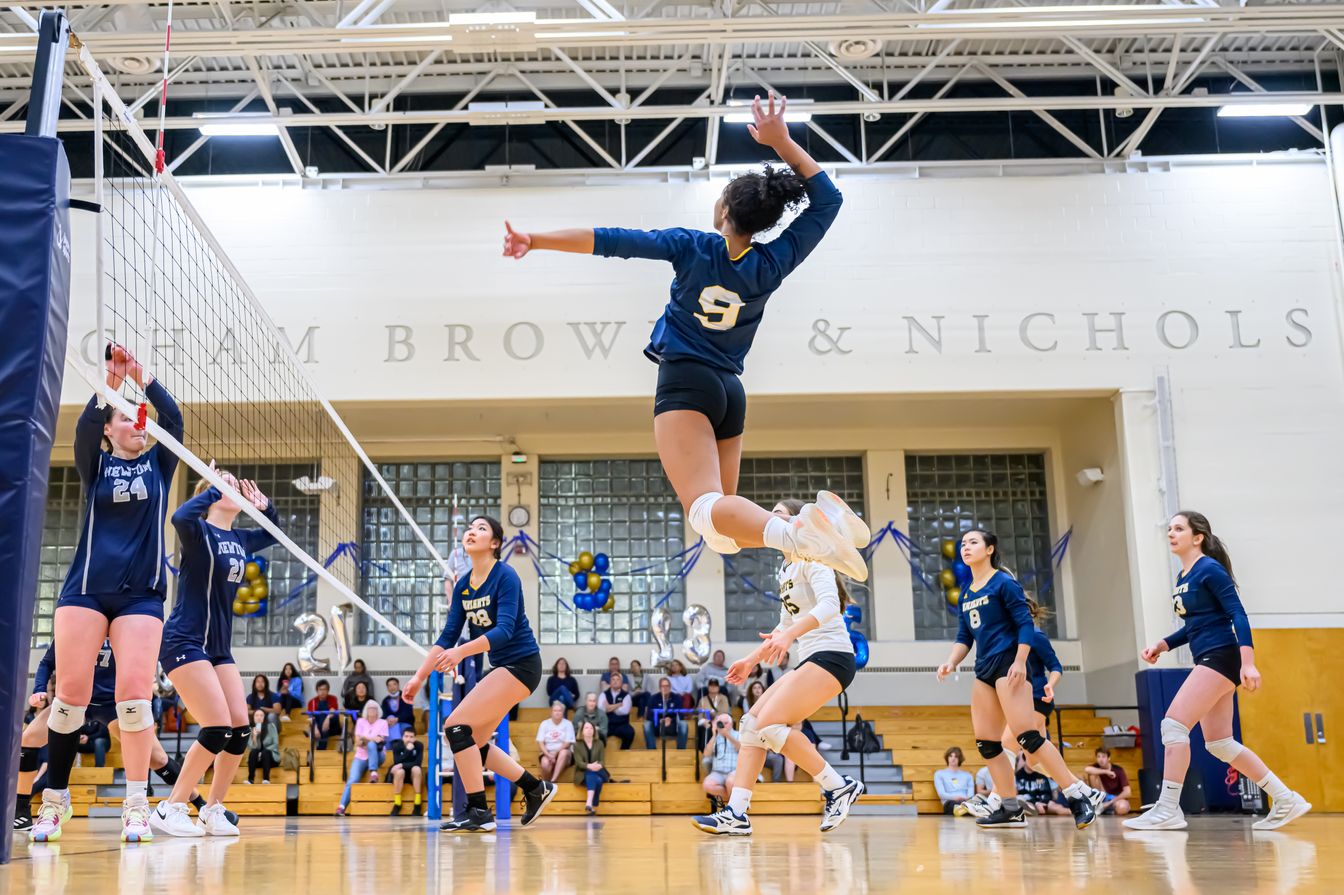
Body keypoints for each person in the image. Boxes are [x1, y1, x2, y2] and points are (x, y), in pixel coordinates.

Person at [501, 94, 867, 584]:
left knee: (704, 511)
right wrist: (782, 142)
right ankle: (805, 527)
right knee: (723, 532)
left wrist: (536, 239)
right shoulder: (773, 261)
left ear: (722, 211)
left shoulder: (692, 247)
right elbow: (829, 199)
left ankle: (800, 530)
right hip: (729, 392)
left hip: (687, 382)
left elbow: (609, 239)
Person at [29, 345, 182, 844]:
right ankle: (55, 801)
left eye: (139, 417)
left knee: (133, 702)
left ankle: (137, 806)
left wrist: (142, 376)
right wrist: (112, 382)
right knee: (68, 703)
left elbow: (173, 417)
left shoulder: (159, 465)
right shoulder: (94, 465)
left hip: (141, 596)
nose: (138, 422)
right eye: (125, 417)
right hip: (85, 591)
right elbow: (83, 429)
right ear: (110, 430)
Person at [1126, 511, 1310, 831]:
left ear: (1197, 537)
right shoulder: (1184, 576)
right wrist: (1162, 645)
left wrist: (1248, 662)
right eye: (1169, 528)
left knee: (1173, 726)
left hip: (1221, 656)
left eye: (1179, 528)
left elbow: (1236, 613)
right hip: (1211, 656)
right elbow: (1193, 626)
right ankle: (1285, 798)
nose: (1171, 533)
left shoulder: (1209, 569)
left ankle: (1168, 808)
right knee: (1220, 743)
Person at [694, 500, 864, 836]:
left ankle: (837, 786)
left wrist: (788, 635)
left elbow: (831, 606)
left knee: (770, 726)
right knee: (751, 725)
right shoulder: (786, 571)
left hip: (833, 656)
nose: (770, 518)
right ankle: (737, 813)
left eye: (778, 513)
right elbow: (783, 625)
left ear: (800, 523)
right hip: (812, 658)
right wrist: (750, 660)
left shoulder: (813, 561)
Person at [937, 528, 1102, 830]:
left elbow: (1026, 623)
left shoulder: (1003, 582)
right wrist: (950, 661)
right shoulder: (967, 592)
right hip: (984, 668)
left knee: (1028, 737)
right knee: (988, 744)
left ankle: (1077, 795)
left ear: (989, 549)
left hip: (1007, 663)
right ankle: (1010, 808)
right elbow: (964, 637)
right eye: (963, 543)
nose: (966, 547)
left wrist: (1021, 660)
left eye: (973, 542)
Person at [403, 515, 556, 832]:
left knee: (456, 726)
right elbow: (446, 637)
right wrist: (419, 677)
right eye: (470, 527)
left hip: (523, 664)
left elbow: (504, 630)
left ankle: (477, 810)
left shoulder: (506, 576)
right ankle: (535, 788)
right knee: (474, 742)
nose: (472, 531)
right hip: (503, 667)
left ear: (495, 543)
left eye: (481, 528)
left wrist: (461, 651)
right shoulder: (462, 586)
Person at [151, 471, 278, 838]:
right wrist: (212, 488)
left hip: (218, 647)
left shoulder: (239, 538)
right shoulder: (198, 532)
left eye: (235, 483)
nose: (234, 486)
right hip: (184, 640)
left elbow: (274, 532)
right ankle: (171, 806)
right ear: (208, 492)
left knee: (240, 728)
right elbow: (178, 518)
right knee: (217, 726)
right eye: (225, 483)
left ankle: (213, 809)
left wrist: (265, 507)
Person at [14, 643, 233, 832]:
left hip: (113, 705)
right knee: (28, 740)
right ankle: (21, 809)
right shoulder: (78, 619)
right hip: (75, 700)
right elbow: (47, 662)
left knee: (157, 758)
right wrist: (40, 688)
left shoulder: (124, 624)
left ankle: (200, 804)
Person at [337, 700, 389, 815]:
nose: (372, 710)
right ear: (366, 710)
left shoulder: (382, 722)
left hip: (378, 755)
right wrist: (371, 739)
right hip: (361, 756)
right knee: (353, 779)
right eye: (369, 708)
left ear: (378, 711)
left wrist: (365, 738)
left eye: (374, 708)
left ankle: (374, 772)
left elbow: (379, 741)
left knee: (371, 745)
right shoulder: (360, 721)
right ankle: (341, 807)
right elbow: (358, 742)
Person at [701, 713, 740, 809]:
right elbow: (706, 754)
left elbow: (740, 748)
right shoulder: (715, 738)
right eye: (720, 723)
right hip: (717, 772)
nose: (723, 725)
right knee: (707, 785)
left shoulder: (738, 734)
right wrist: (714, 735)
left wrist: (728, 735)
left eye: (725, 723)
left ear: (731, 724)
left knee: (730, 782)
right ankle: (737, 800)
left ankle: (734, 809)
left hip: (734, 771)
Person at [1015, 751, 1069, 816]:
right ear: (1025, 759)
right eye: (1030, 760)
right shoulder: (1017, 776)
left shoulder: (1041, 774)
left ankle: (1077, 813)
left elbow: (1047, 793)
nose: (1033, 763)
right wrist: (1035, 803)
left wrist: (1042, 803)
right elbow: (1017, 796)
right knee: (1024, 807)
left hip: (1043, 803)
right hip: (1028, 803)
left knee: (1058, 808)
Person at [573, 720, 608, 815]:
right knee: (597, 780)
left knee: (592, 773)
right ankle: (592, 806)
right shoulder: (577, 745)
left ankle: (589, 802)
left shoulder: (599, 743)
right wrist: (589, 766)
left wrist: (598, 766)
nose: (589, 730)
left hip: (599, 771)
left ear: (594, 731)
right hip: (582, 774)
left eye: (591, 728)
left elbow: (602, 761)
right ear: (582, 731)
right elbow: (579, 763)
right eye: (586, 728)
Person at [536, 701, 576, 783]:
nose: (557, 713)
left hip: (564, 753)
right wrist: (548, 755)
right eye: (555, 710)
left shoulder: (568, 724)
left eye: (560, 711)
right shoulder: (544, 724)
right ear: (551, 712)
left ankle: (554, 780)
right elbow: (540, 742)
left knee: (563, 753)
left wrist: (555, 753)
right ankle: (547, 783)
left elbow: (567, 743)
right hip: (548, 752)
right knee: (545, 763)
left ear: (563, 712)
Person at [1085, 747, 1132, 816]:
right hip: (1101, 798)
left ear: (1108, 758)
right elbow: (1087, 769)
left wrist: (1110, 802)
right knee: (1092, 774)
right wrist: (1106, 772)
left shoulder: (1118, 770)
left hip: (1115, 799)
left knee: (1123, 808)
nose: (1101, 759)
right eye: (1098, 757)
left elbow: (1128, 792)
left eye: (1103, 757)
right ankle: (1099, 805)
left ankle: (1106, 810)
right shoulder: (1096, 767)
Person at [388, 728, 425, 816]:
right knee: (399, 771)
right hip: (400, 776)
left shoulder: (419, 745)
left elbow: (418, 763)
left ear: (415, 738)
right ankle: (397, 803)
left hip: (412, 775)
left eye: (411, 737)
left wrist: (402, 765)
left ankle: (417, 803)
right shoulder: (397, 745)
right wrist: (408, 751)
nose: (408, 739)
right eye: (406, 736)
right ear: (402, 737)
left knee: (416, 769)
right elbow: (397, 761)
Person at [645, 677, 688, 750]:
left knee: (683, 724)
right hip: (658, 726)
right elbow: (649, 715)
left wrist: (671, 720)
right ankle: (652, 750)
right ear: (659, 688)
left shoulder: (677, 698)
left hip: (673, 726)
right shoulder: (653, 698)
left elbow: (680, 715)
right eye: (663, 686)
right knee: (647, 724)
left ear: (670, 687)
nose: (665, 688)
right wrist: (659, 720)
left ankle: (681, 750)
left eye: (667, 686)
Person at [935, 747, 976, 814]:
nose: (953, 759)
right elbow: (942, 794)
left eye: (956, 756)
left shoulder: (968, 775)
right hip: (950, 802)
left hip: (965, 802)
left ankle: (964, 810)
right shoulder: (939, 774)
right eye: (951, 756)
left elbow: (970, 795)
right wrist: (955, 797)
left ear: (960, 759)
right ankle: (963, 810)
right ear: (947, 758)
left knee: (971, 804)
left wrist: (964, 799)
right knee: (955, 805)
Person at [602, 672, 636, 750]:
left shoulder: (626, 695)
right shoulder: (603, 694)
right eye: (613, 679)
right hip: (607, 724)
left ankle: (623, 752)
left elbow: (624, 711)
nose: (615, 681)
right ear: (610, 682)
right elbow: (602, 710)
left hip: (622, 725)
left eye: (618, 679)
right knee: (597, 734)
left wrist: (609, 707)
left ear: (621, 682)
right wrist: (618, 705)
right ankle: (602, 754)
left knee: (630, 732)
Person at [246, 709, 281, 784]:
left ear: (264, 718)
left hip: (271, 758)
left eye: (261, 715)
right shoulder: (250, 729)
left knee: (266, 752)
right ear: (253, 718)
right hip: (257, 760)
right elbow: (251, 747)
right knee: (254, 752)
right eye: (256, 715)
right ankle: (250, 779)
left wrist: (262, 753)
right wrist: (255, 737)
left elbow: (275, 744)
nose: (259, 717)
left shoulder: (271, 726)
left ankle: (266, 779)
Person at [695, 678, 732, 749]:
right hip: (706, 723)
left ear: (718, 687)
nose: (713, 687)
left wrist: (713, 718)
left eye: (715, 686)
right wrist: (703, 721)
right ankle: (703, 750)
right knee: (705, 728)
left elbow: (724, 712)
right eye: (711, 685)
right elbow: (700, 714)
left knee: (714, 727)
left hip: (720, 722)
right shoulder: (703, 700)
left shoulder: (724, 698)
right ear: (708, 687)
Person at [307, 679, 340, 750]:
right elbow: (311, 717)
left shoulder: (333, 698)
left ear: (328, 690)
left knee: (325, 712)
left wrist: (327, 718)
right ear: (317, 691)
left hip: (332, 726)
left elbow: (332, 710)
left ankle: (321, 748)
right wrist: (315, 729)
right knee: (320, 715)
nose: (322, 692)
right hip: (320, 727)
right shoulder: (311, 702)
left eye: (324, 689)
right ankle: (321, 747)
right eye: (320, 689)